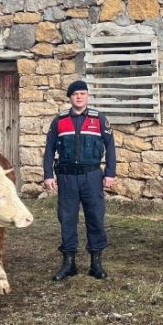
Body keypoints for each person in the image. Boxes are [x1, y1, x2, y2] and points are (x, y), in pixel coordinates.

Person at [43, 80, 117, 281]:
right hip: (67, 177)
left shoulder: (99, 119)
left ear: (87, 96)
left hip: (92, 176)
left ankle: (96, 263)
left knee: (95, 217)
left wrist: (110, 173)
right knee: (67, 219)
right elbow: (49, 150)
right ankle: (69, 264)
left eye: (83, 93)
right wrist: (48, 175)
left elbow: (110, 147)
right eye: (75, 94)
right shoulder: (59, 121)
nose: (79, 97)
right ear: (70, 97)